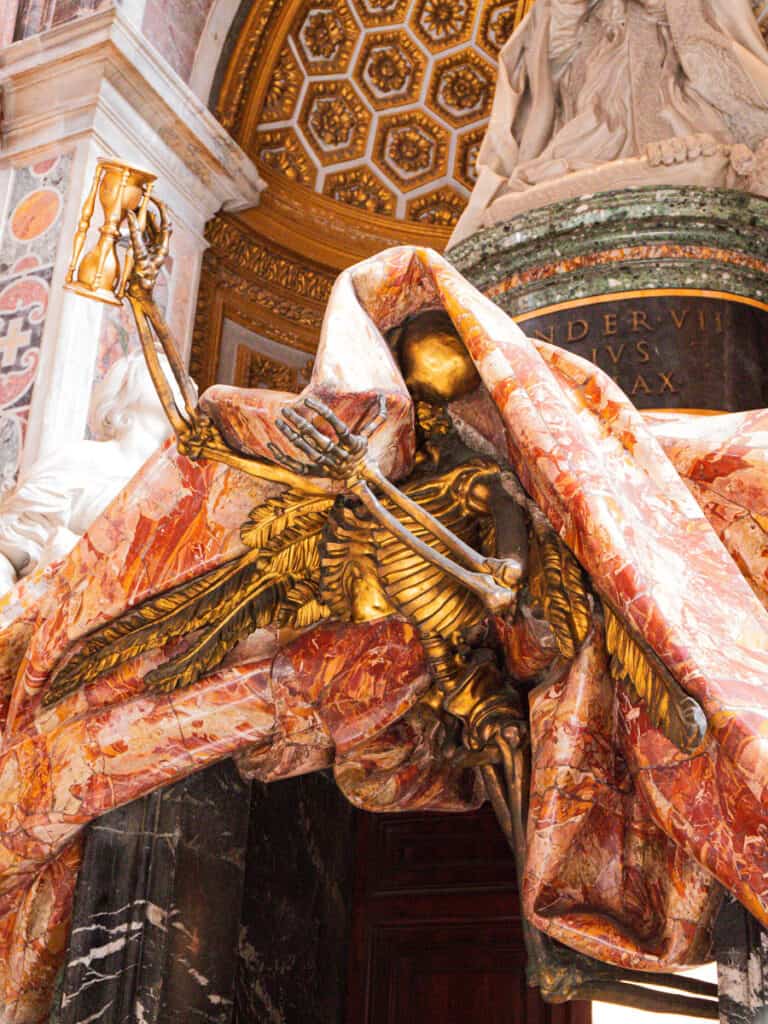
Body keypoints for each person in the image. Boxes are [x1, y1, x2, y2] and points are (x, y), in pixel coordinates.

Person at [451, 0, 768, 243]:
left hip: (676, 94)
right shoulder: (588, 22)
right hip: (594, 109)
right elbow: (548, 58)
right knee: (549, 173)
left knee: (704, 160)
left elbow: (713, 37)